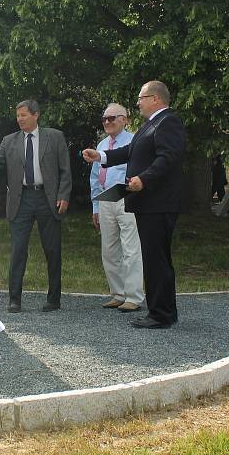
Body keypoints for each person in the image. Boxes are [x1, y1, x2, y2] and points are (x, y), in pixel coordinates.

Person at [82, 81, 187, 329]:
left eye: (141, 98)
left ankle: (160, 314)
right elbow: (130, 151)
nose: (137, 102)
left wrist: (144, 179)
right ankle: (163, 311)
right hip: (147, 203)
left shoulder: (168, 121)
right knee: (154, 258)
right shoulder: (149, 126)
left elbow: (168, 157)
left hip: (158, 202)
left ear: (155, 99)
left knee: (156, 258)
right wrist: (102, 157)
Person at [0, 99, 72, 313]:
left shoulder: (54, 137)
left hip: (48, 199)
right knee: (18, 249)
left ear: (35, 115)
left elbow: (65, 170)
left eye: (23, 115)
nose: (19, 119)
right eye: (17, 115)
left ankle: (54, 299)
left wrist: (64, 195)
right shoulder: (9, 141)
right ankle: (14, 300)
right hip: (20, 200)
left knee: (52, 249)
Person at [89, 103, 144, 312]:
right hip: (105, 199)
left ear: (125, 119)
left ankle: (133, 296)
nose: (107, 122)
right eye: (104, 119)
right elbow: (95, 177)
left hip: (126, 197)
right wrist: (95, 206)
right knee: (109, 249)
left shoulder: (134, 142)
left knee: (130, 248)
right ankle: (117, 293)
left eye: (112, 118)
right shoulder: (102, 145)